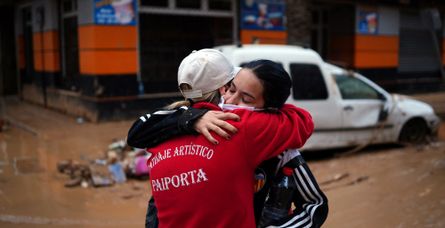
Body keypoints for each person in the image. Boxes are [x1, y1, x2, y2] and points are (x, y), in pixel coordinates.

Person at [129, 49, 314, 228]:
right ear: (223, 88)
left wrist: (189, 117)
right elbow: (303, 121)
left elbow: (135, 133)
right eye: (231, 88)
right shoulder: (240, 126)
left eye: (245, 97)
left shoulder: (158, 132)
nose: (232, 100)